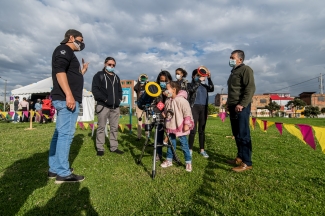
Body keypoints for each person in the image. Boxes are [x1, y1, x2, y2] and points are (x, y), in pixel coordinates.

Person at [48, 29, 89, 183]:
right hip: (66, 100)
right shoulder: (64, 49)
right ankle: (63, 173)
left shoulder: (69, 54)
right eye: (80, 39)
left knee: (59, 134)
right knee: (66, 135)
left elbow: (70, 75)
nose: (82, 43)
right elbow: (60, 72)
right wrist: (69, 95)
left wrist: (81, 72)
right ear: (71, 37)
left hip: (64, 98)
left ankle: (54, 168)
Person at [226, 50, 255, 172]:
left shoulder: (246, 69)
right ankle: (239, 157)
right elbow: (232, 90)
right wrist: (228, 104)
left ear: (240, 59)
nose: (230, 59)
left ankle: (247, 162)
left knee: (243, 135)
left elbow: (250, 88)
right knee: (237, 134)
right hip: (233, 106)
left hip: (241, 107)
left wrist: (242, 104)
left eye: (232, 57)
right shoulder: (233, 72)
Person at [92, 57, 123, 156]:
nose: (111, 66)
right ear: (105, 64)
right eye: (110, 64)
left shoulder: (116, 77)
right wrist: (105, 99)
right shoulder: (99, 75)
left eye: (113, 65)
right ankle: (100, 148)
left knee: (114, 128)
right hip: (103, 106)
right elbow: (95, 90)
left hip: (115, 107)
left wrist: (119, 99)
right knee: (101, 127)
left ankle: (114, 147)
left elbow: (119, 90)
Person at [160, 81, 194, 172]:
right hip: (171, 126)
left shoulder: (182, 100)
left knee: (184, 145)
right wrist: (164, 114)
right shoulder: (167, 100)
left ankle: (188, 162)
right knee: (171, 144)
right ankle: (169, 160)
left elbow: (187, 113)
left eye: (167, 89)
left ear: (174, 90)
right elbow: (167, 110)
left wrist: (187, 124)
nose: (165, 90)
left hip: (180, 126)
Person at [188, 68, 214, 158]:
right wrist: (198, 81)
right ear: (193, 76)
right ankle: (190, 149)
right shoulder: (190, 85)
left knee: (202, 130)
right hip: (194, 107)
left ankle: (202, 150)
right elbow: (191, 90)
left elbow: (212, 89)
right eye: (197, 75)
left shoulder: (204, 86)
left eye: (201, 76)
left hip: (204, 108)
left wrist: (209, 79)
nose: (200, 77)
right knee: (193, 130)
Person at [152, 70, 173, 161]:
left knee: (171, 136)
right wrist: (160, 112)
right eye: (161, 81)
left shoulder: (172, 89)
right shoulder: (155, 89)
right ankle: (159, 154)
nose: (163, 83)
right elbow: (153, 104)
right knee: (159, 135)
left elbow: (175, 101)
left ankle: (171, 155)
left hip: (170, 115)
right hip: (159, 115)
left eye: (165, 81)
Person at [134, 74, 149, 141]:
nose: (143, 79)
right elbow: (135, 88)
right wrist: (139, 81)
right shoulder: (138, 86)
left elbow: (151, 88)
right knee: (139, 122)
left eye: (144, 78)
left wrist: (147, 82)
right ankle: (139, 137)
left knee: (147, 122)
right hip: (139, 106)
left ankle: (147, 137)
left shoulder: (147, 86)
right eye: (142, 78)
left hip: (147, 106)